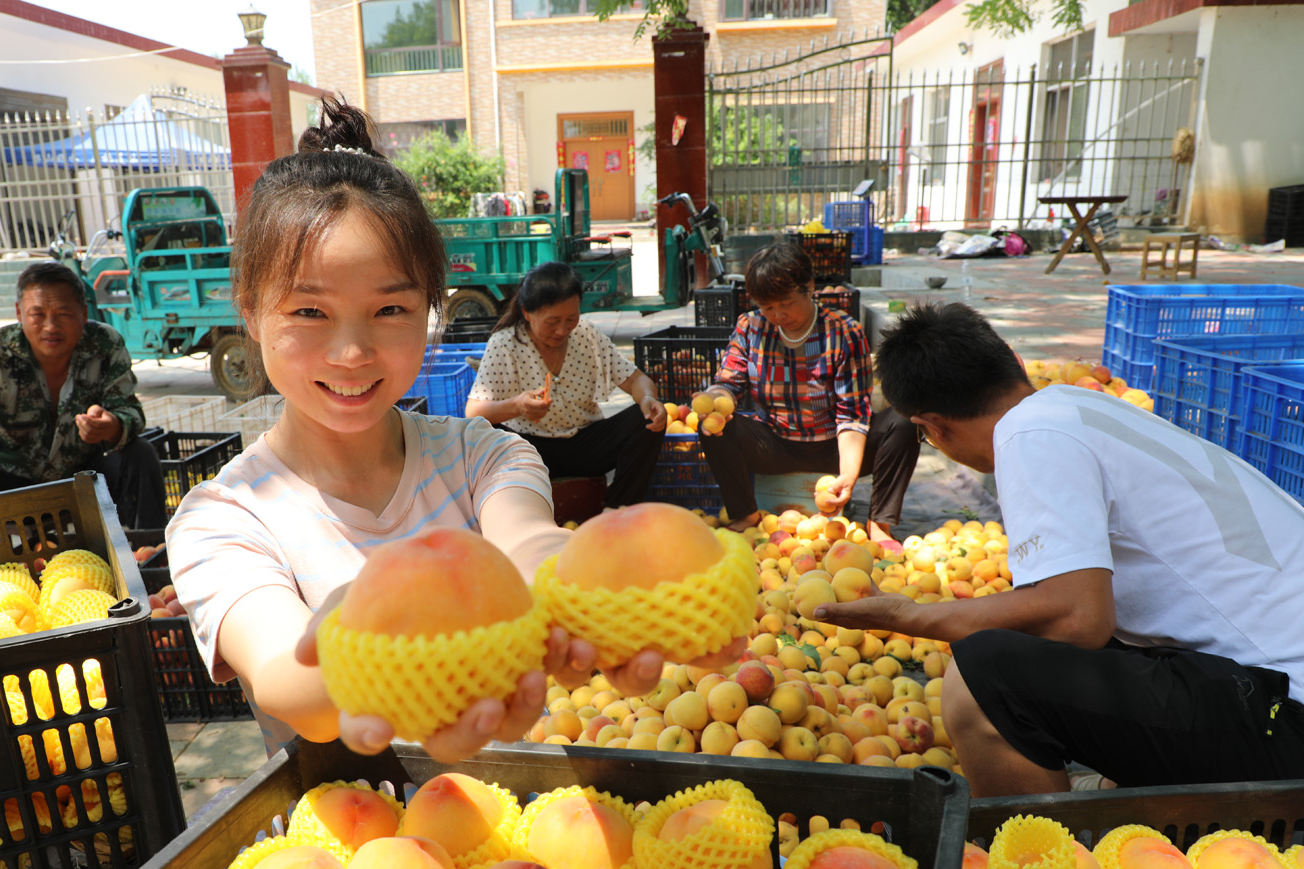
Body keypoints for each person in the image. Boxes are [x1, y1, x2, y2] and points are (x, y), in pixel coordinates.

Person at [164, 97, 741, 763]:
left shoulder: (484, 455)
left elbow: (529, 546)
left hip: (503, 828)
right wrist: (369, 633)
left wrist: (586, 604)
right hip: (342, 852)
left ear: (432, 310)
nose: (351, 352)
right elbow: (286, 682)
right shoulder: (223, 517)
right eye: (309, 310)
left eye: (390, 308)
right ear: (251, 312)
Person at [812, 301, 1304, 797]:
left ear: (933, 427)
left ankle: (1036, 858)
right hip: (1267, 687)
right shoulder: (1079, 406)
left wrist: (911, 617)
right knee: (1041, 641)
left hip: (1285, 718)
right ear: (1012, 362)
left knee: (982, 676)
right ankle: (1113, 793)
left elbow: (1078, 618)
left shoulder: (1029, 435)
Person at [0, 260, 165, 554]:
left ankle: (150, 555)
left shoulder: (105, 345)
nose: (51, 327)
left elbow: (129, 412)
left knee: (140, 453)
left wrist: (110, 426)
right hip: (9, 487)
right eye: (37, 314)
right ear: (19, 314)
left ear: (83, 314)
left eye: (63, 314)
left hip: (83, 481)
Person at [695, 242, 919, 542]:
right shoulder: (750, 326)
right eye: (767, 307)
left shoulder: (842, 331)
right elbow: (729, 382)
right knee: (716, 428)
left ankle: (880, 525)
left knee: (906, 422)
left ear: (809, 287)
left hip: (833, 447)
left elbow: (852, 413)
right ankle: (745, 514)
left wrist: (848, 475)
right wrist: (716, 401)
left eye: (786, 303)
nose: (778, 315)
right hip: (776, 445)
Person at [464, 262, 667, 509]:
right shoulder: (505, 343)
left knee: (647, 418)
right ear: (527, 312)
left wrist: (647, 398)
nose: (562, 330)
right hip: (529, 450)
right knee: (486, 430)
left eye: (571, 318)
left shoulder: (587, 334)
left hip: (585, 444)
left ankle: (618, 509)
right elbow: (473, 411)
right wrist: (518, 406)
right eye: (552, 322)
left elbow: (636, 379)